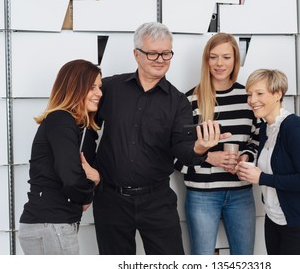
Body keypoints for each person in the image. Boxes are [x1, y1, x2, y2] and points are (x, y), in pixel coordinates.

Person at [92, 22, 229, 255]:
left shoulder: (177, 102)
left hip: (156, 201)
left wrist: (199, 147)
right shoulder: (111, 88)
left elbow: (183, 150)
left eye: (166, 53)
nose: (160, 59)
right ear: (136, 54)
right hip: (110, 200)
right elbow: (84, 125)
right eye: (152, 53)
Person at [174, 33, 259, 255]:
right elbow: (174, 153)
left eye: (226, 57)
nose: (219, 64)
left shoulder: (248, 97)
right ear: (206, 60)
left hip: (241, 193)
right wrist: (207, 157)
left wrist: (246, 158)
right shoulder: (189, 99)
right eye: (213, 57)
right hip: (202, 194)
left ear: (235, 61)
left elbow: (257, 139)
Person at [236, 69, 300, 255]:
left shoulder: (295, 128)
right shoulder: (265, 128)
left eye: (259, 93)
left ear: (278, 94)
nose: (252, 100)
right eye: (249, 94)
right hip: (274, 220)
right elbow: (274, 164)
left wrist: (262, 178)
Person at [18, 59, 102, 255]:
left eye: (100, 87)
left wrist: (93, 181)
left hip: (52, 225)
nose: (99, 93)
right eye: (92, 87)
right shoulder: (61, 120)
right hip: (51, 225)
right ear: (74, 88)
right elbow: (71, 177)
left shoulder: (73, 125)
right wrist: (90, 189)